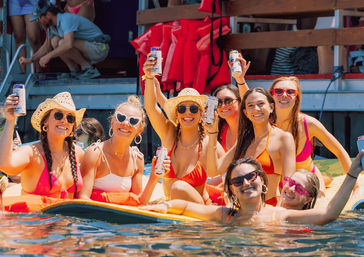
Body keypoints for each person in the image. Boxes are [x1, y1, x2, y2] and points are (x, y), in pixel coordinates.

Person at [142, 152, 364, 225]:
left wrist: (352, 175)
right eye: (238, 182)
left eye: (250, 177)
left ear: (262, 181)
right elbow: (182, 207)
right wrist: (163, 205)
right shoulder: (225, 215)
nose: (246, 183)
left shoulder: (281, 216)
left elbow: (329, 213)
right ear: (231, 191)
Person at [143, 57, 224, 204]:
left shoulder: (208, 143)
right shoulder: (169, 134)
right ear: (177, 114)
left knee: (179, 187)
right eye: (182, 109)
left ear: (201, 114)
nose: (187, 113)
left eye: (193, 109)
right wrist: (149, 77)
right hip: (171, 212)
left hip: (198, 215)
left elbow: (229, 172)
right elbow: (150, 108)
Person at [209, 88, 296, 206]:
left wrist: (277, 213)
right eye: (250, 106)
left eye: (261, 104)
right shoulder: (244, 139)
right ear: (245, 112)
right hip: (240, 208)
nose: (256, 109)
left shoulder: (283, 138)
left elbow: (288, 184)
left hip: (267, 208)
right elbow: (214, 170)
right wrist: (212, 134)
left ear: (271, 107)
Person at [269, 76, 352, 192]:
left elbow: (339, 151)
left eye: (290, 92)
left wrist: (355, 186)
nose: (284, 95)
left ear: (296, 97)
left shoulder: (308, 124)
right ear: (271, 96)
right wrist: (241, 80)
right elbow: (248, 103)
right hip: (277, 187)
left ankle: (323, 180)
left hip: (308, 183)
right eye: (278, 91)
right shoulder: (264, 124)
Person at [0, 92, 85, 198]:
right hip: (37, 214)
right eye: (58, 115)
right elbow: (4, 165)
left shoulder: (78, 153)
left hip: (69, 214)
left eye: (70, 118)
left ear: (72, 127)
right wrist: (10, 121)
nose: (64, 121)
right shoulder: (31, 153)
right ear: (45, 122)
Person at [79, 96, 166, 205]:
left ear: (140, 130)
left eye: (133, 121)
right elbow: (82, 199)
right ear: (112, 122)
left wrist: (154, 177)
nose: (125, 123)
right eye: (120, 117)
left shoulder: (137, 159)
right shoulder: (95, 154)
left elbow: (140, 202)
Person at [20, 0, 109, 79]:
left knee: (63, 42)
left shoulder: (65, 19)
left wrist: (48, 56)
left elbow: (68, 44)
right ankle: (74, 71)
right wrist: (30, 59)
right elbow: (46, 47)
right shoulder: (51, 27)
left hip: (100, 48)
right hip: (88, 48)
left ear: (48, 15)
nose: (37, 21)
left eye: (39, 18)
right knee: (54, 41)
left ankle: (88, 69)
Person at [213, 53, 251, 152]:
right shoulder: (220, 130)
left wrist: (240, 79)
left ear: (239, 102)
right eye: (218, 103)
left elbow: (249, 101)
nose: (223, 106)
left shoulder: (251, 123)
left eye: (228, 101)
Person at [8, 0, 42, 73]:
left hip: (32, 3)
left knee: (34, 38)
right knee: (19, 37)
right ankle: (23, 73)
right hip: (14, 3)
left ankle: (38, 72)